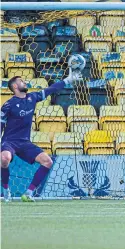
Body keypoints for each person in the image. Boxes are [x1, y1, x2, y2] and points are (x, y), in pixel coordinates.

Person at [1, 69, 81, 202]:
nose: (25, 82)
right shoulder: (8, 105)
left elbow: (51, 89)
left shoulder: (32, 97)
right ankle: (5, 190)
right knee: (4, 159)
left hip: (25, 143)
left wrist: (68, 80)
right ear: (15, 86)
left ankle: (28, 193)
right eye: (21, 81)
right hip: (9, 141)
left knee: (48, 161)